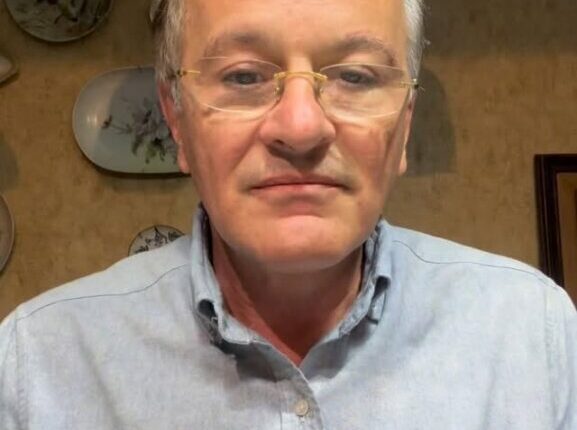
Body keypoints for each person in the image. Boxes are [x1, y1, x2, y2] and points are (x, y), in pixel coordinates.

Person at [1, 0, 576, 428]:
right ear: (175, 118)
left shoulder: (534, 335)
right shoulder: (37, 366)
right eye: (244, 77)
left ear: (405, 125)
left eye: (354, 77)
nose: (301, 128)